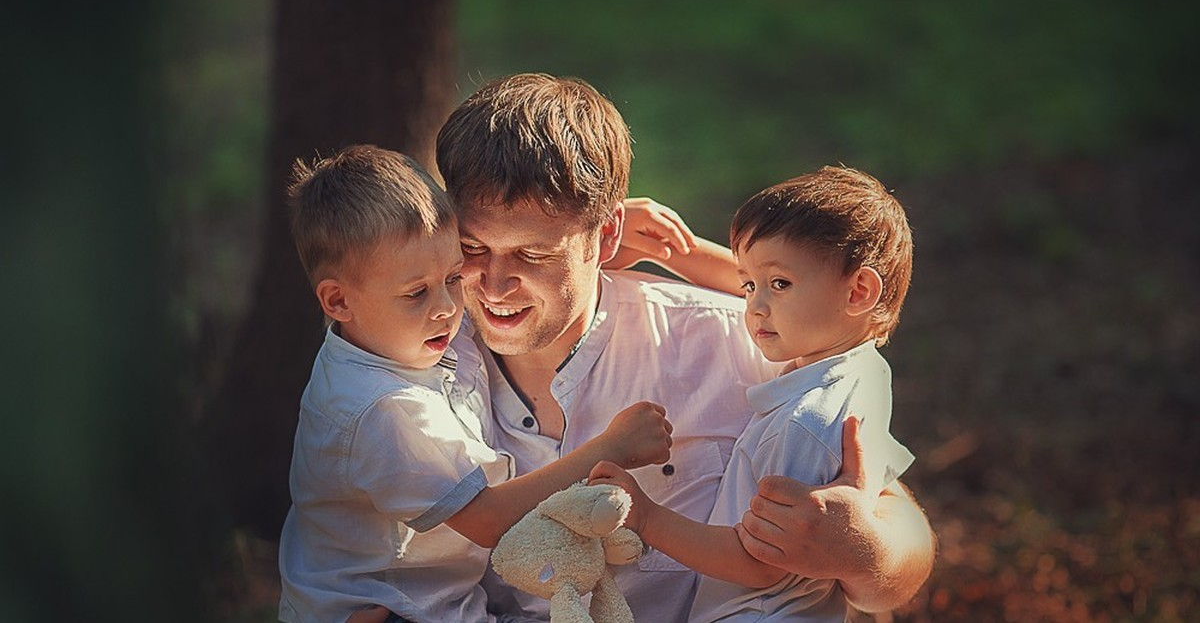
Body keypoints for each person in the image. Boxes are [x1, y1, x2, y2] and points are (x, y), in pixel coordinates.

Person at [433, 72, 935, 622]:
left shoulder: (741, 342)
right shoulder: (413, 364)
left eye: (532, 255)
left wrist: (868, 552)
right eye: (472, 247)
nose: (495, 285)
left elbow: (891, 526)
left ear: (605, 236)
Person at [275, 144, 673, 623]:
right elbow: (485, 519)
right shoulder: (386, 408)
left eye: (453, 276)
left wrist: (587, 233)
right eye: (417, 293)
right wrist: (611, 447)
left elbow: (750, 278)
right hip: (391, 612)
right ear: (337, 301)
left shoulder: (377, 329)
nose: (447, 306)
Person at [590, 166, 917, 621]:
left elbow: (759, 563)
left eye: (778, 285)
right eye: (749, 286)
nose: (755, 306)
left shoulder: (806, 422)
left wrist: (646, 516)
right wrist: (670, 251)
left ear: (859, 290)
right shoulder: (860, 369)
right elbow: (778, 279)